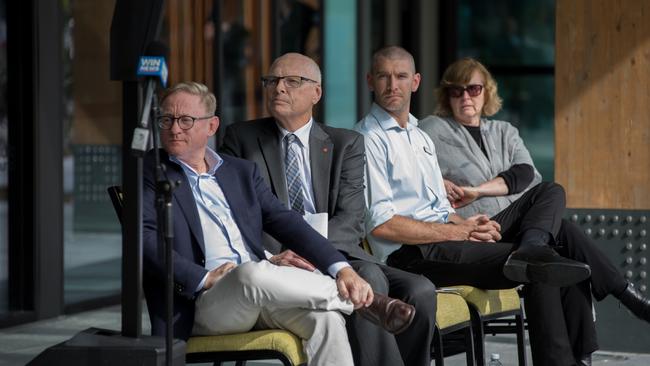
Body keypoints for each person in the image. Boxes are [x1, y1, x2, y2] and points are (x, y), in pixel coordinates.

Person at [355, 46, 650, 366]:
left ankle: (536, 255)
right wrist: (459, 232)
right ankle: (573, 351)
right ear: (370, 81)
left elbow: (443, 207)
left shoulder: (417, 136)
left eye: (400, 77)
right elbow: (382, 224)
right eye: (383, 77)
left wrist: (469, 226)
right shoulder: (370, 139)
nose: (392, 85)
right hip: (412, 255)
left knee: (550, 193)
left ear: (415, 82)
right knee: (544, 262)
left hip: (449, 237)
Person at [142, 81, 416, 366]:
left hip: (262, 293)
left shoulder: (239, 172)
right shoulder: (151, 171)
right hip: (205, 302)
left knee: (325, 320)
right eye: (167, 119)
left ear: (211, 126)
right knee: (250, 275)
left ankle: (348, 297)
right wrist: (203, 277)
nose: (174, 129)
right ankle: (365, 301)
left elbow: (287, 222)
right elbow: (144, 241)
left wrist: (342, 268)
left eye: (186, 120)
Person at [220, 52, 437, 366]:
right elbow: (236, 213)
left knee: (421, 290)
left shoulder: (345, 143)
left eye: (292, 81)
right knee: (371, 279)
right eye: (272, 81)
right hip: (277, 259)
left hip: (338, 252)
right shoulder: (241, 139)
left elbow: (352, 220)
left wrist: (311, 246)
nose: (279, 88)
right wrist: (280, 253)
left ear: (316, 93)